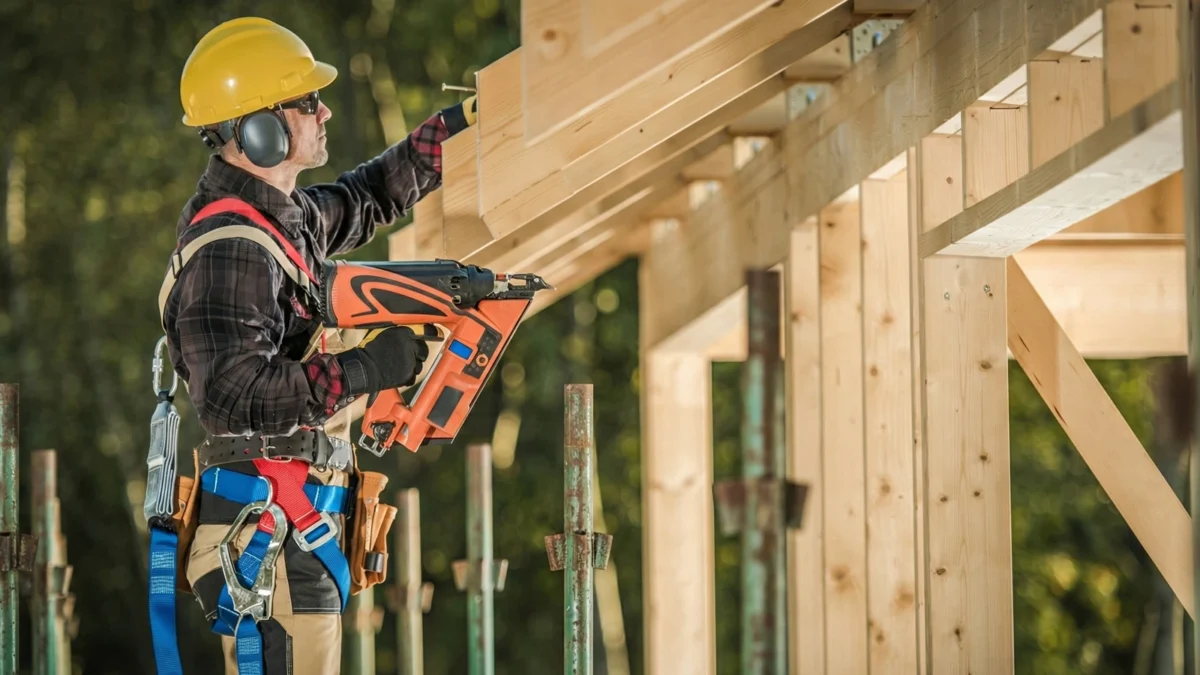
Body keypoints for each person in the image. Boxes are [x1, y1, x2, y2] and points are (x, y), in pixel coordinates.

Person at [155, 16, 476, 674]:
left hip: (290, 525)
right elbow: (232, 398)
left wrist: (459, 127)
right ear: (258, 129)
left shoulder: (279, 217)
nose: (323, 110)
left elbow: (368, 196)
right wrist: (367, 367)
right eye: (305, 102)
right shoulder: (233, 248)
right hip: (266, 535)